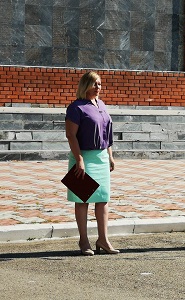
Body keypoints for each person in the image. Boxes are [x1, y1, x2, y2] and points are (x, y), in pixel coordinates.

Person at [65, 71, 119, 255]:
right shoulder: (76, 107)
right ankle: (83, 241)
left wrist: (110, 155)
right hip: (83, 158)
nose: (98, 87)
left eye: (100, 84)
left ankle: (103, 240)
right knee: (82, 200)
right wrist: (79, 159)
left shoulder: (102, 105)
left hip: (101, 157)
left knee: (103, 200)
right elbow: (71, 135)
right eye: (94, 84)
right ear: (85, 85)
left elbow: (107, 134)